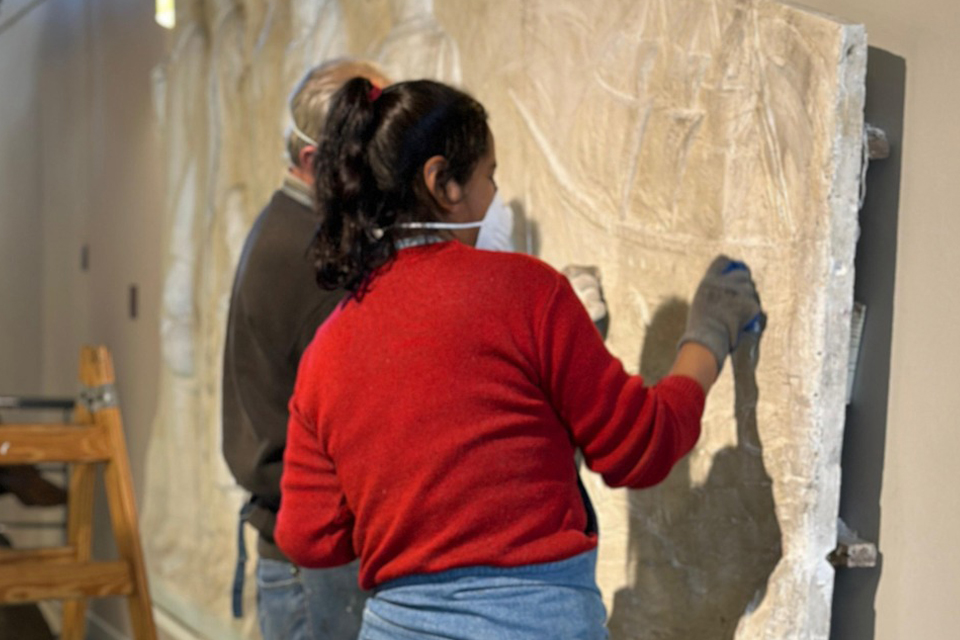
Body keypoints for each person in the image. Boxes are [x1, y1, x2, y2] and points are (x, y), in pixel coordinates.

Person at [274, 77, 763, 639]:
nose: (494, 196)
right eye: (490, 176)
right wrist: (708, 335)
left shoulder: (329, 345)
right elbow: (642, 447)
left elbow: (310, 536)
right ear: (442, 182)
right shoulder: (526, 293)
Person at [221, 58, 390, 640]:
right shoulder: (313, 256)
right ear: (315, 162)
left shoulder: (293, 228)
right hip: (316, 565)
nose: (389, 173)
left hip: (305, 559)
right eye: (371, 156)